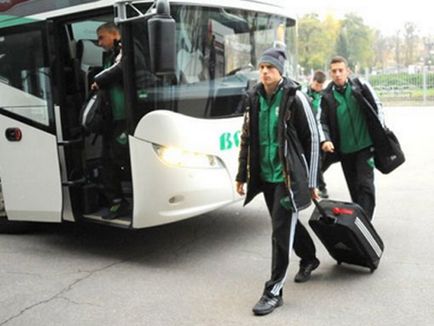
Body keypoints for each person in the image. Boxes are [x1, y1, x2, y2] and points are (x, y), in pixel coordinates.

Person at [235, 47, 321, 316]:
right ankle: (309, 258)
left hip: (288, 177)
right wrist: (241, 175)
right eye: (261, 67)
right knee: (283, 224)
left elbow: (313, 141)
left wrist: (311, 180)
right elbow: (247, 137)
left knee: (280, 233)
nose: (264, 72)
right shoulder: (254, 97)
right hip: (265, 176)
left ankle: (273, 291)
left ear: (280, 72)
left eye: (269, 68)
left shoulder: (295, 98)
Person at [319, 56, 384, 221]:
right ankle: (359, 219)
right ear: (330, 73)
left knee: (366, 185)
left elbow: (377, 107)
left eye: (341, 70)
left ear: (347, 71)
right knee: (355, 188)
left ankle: (364, 222)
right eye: (334, 71)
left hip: (365, 146)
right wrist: (325, 140)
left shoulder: (360, 86)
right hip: (345, 151)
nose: (338, 74)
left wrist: (380, 131)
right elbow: (322, 121)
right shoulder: (327, 96)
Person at [91, 22, 130, 220]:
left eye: (101, 37)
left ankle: (122, 202)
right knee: (107, 161)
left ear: (115, 34)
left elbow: (120, 69)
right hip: (112, 119)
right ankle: (117, 201)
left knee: (118, 159)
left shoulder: (126, 49)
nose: (99, 43)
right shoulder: (110, 54)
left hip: (125, 118)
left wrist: (98, 79)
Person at [306, 70, 330, 198]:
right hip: (307, 132)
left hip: (319, 132)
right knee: (315, 161)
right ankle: (321, 186)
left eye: (321, 85)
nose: (319, 87)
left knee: (320, 161)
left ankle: (316, 181)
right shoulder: (304, 93)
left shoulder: (323, 97)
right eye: (317, 84)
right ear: (313, 81)